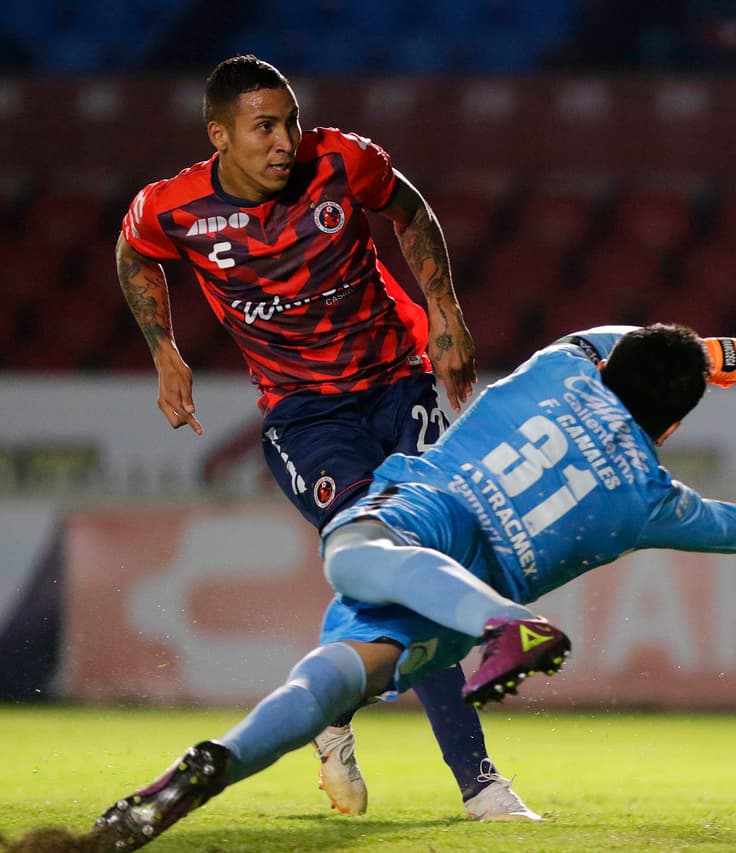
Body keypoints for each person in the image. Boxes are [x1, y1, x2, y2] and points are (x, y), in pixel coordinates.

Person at [85, 317, 736, 851]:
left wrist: (731, 352)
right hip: (457, 606)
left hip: (423, 521)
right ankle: (214, 763)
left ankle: (492, 627)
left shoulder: (562, 363)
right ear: (670, 426)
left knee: (345, 564)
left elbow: (609, 337)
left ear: (610, 365)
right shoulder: (651, 499)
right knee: (344, 672)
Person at [113, 54, 535, 820]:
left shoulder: (341, 161)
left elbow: (411, 212)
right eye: (263, 127)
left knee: (422, 563)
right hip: (305, 416)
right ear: (219, 136)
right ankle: (478, 783)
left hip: (398, 383)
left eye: (291, 122)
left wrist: (445, 314)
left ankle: (333, 706)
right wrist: (163, 350)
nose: (285, 141)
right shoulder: (175, 207)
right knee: (398, 565)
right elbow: (134, 249)